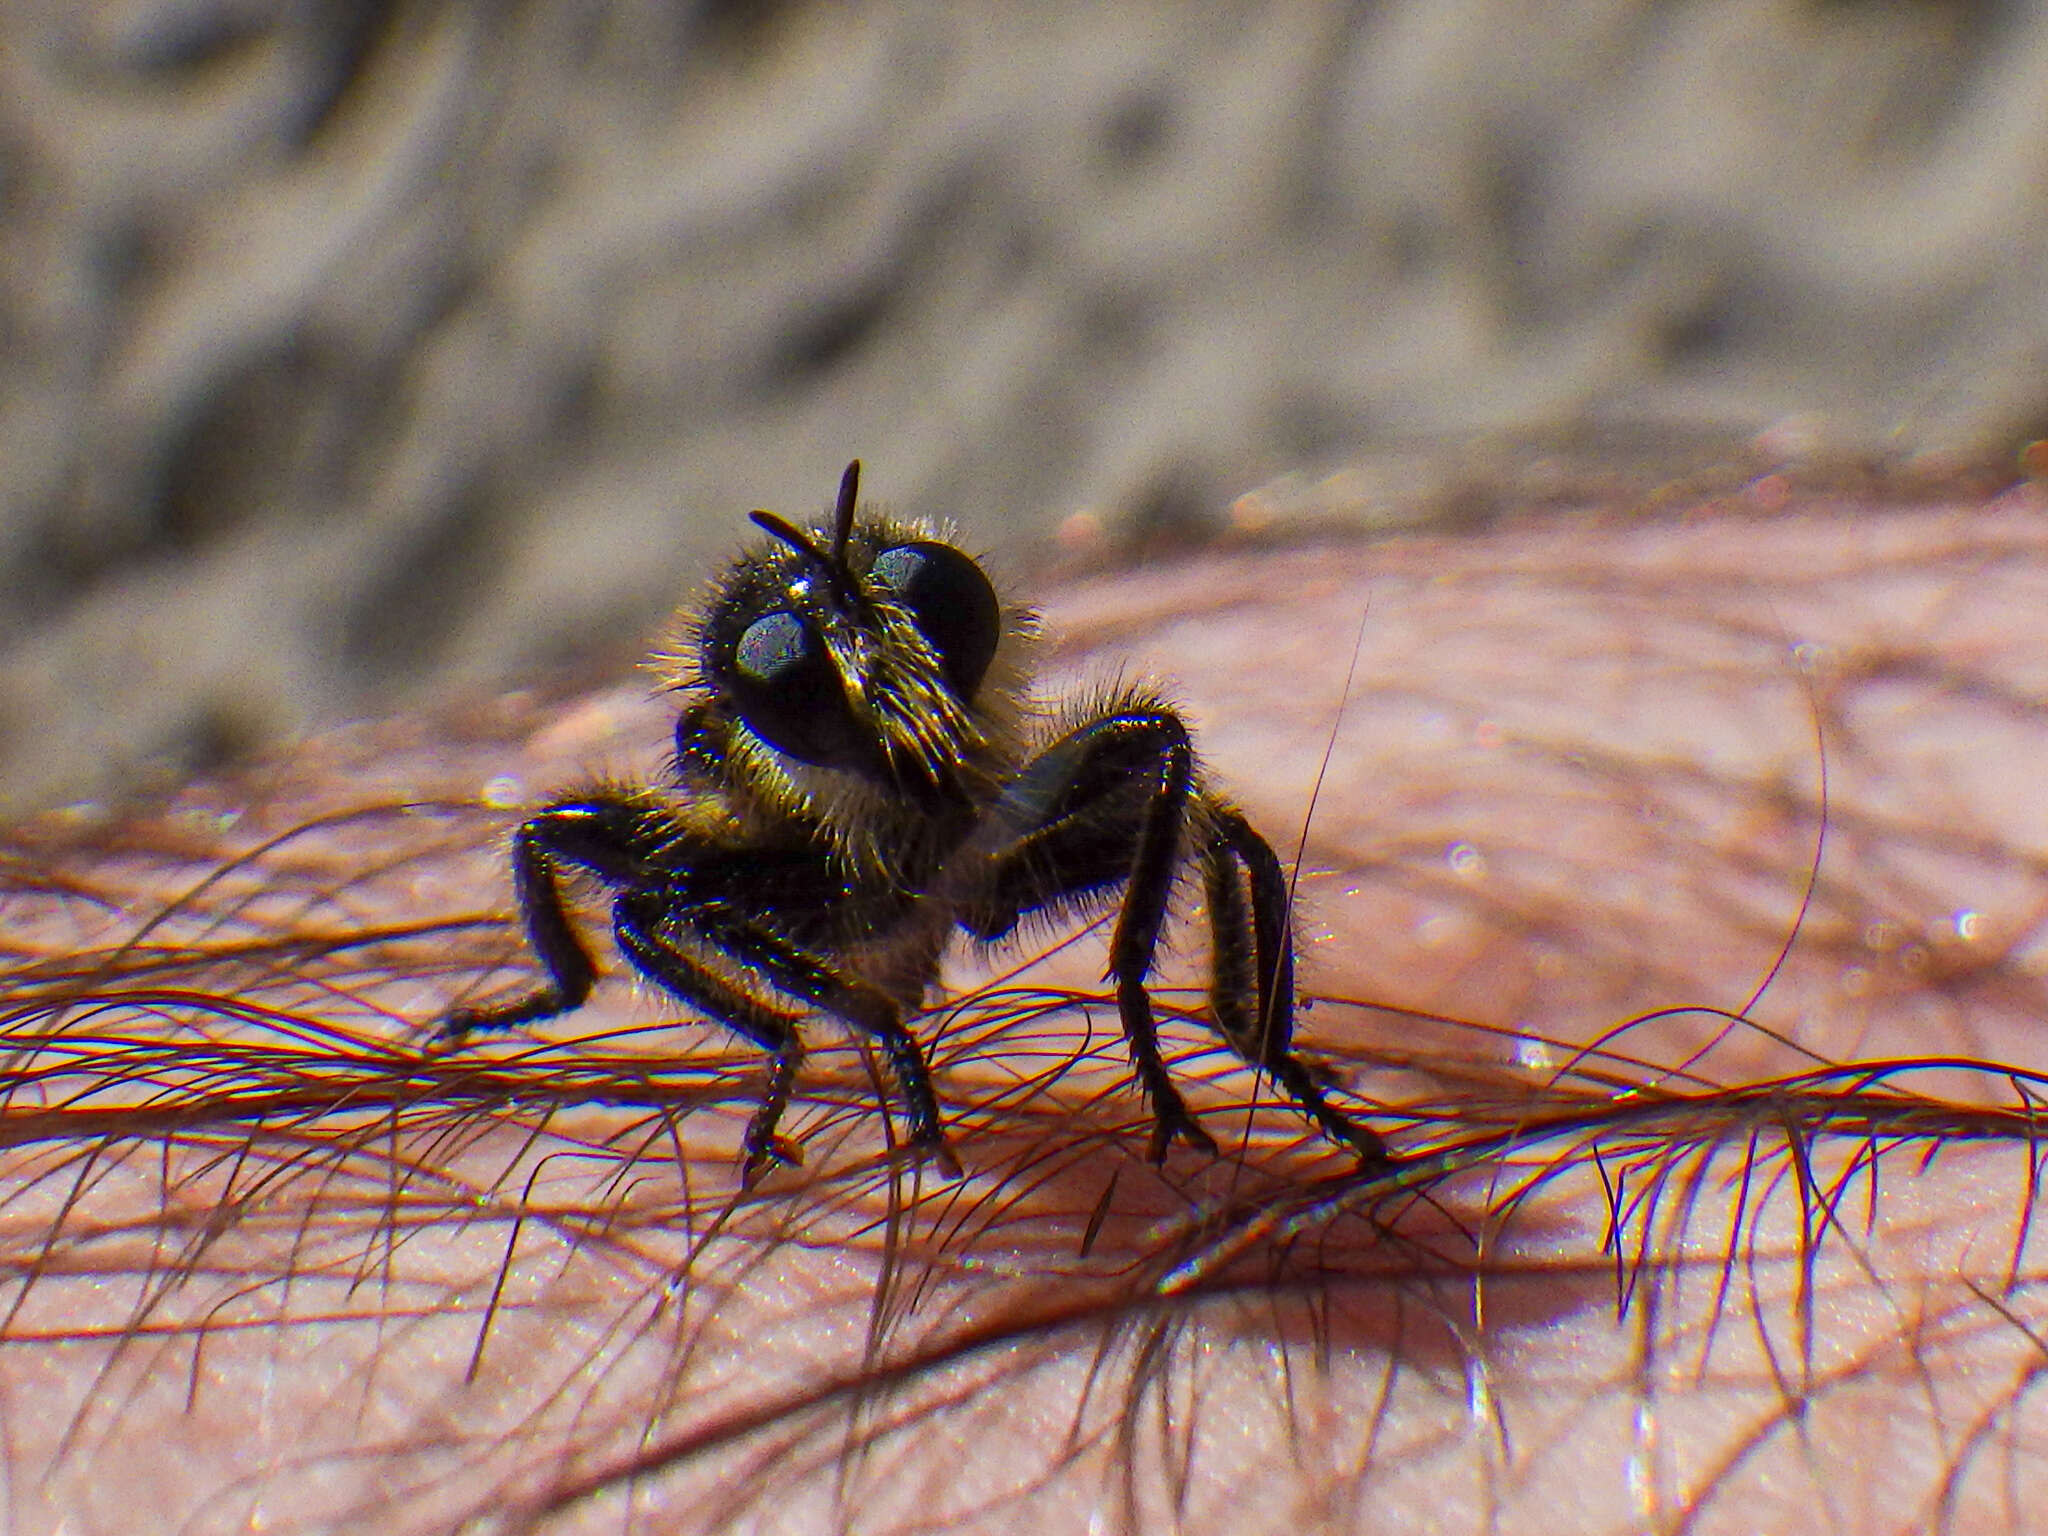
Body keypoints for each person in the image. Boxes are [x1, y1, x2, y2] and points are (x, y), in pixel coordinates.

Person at [4, 476, 2042, 1534]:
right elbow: (617, 890)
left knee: (1166, 774)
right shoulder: (753, 804)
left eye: (934, 635)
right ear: (764, 710)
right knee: (583, 854)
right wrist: (815, 1031)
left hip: (952, 907)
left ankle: (1208, 1050)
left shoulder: (995, 749)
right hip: (812, 919)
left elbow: (1175, 803)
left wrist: (1186, 1044)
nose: (899, 692)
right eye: (833, 679)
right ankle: (855, 1040)